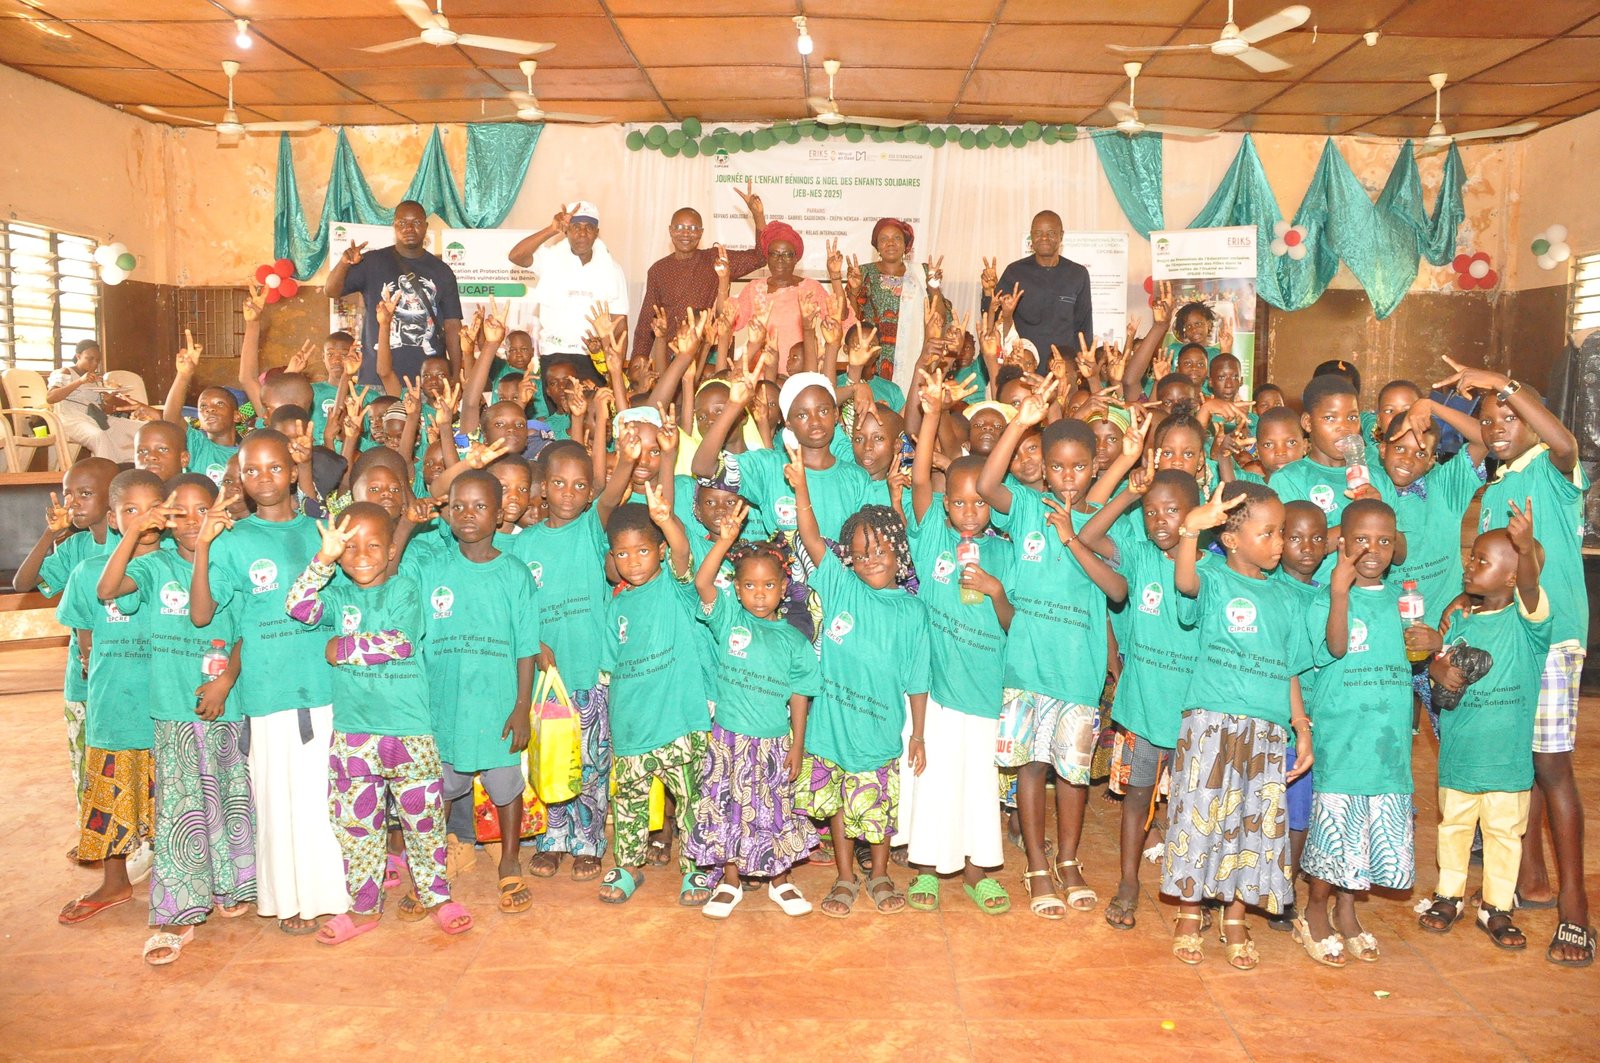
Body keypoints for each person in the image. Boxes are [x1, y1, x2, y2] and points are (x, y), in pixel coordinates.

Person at [1440, 357, 1594, 967]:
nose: (1497, 425)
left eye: (1510, 415)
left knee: (1550, 765)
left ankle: (1576, 910)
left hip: (1550, 638)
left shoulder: (1554, 470)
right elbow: (1488, 435)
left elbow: (1563, 439)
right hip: (1506, 634)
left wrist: (1500, 382)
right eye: (1488, 420)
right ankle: (1528, 880)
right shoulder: (1500, 480)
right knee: (1512, 757)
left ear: (1530, 417)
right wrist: (1445, 408)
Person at [287, 503, 472, 943]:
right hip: (353, 733)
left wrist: (341, 647)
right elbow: (297, 607)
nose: (362, 555)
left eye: (374, 546)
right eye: (350, 548)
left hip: (408, 730)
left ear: (392, 550)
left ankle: (437, 897)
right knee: (358, 828)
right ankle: (364, 907)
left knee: (424, 823)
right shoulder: (337, 596)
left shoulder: (405, 590)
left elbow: (401, 643)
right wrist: (323, 560)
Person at [189, 430, 349, 935]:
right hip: (269, 686)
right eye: (251, 470)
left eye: (275, 467)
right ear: (238, 476)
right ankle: (291, 900)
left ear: (293, 469)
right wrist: (203, 548)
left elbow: (347, 600)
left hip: (323, 682)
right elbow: (202, 615)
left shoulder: (321, 529)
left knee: (323, 796)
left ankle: (332, 892)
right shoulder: (234, 542)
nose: (264, 479)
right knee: (277, 799)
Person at [979, 388, 1129, 919]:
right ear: (1042, 468)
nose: (1068, 476)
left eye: (1079, 467)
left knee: (1073, 772)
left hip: (1077, 672)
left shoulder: (1101, 522)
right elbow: (985, 483)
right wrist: (1020, 423)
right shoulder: (1024, 507)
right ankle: (1037, 862)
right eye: (1057, 466)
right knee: (1031, 766)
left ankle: (1069, 860)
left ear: (1094, 469)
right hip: (1026, 666)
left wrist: (1072, 538)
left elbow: (1116, 592)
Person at [95, 473, 255, 965]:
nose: (191, 522)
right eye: (178, 512)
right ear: (163, 518)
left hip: (223, 703)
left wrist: (226, 680)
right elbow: (107, 589)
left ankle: (231, 886)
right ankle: (176, 912)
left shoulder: (230, 561)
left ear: (222, 512)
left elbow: (231, 627)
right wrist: (131, 533)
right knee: (180, 810)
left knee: (228, 796)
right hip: (171, 707)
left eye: (201, 510)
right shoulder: (155, 564)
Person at [1166, 480, 1313, 971]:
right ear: (1230, 538)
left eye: (1282, 533)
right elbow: (1185, 583)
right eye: (1268, 533)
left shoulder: (1288, 598)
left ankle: (1235, 915)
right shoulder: (1211, 575)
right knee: (1200, 818)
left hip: (1267, 731)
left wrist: (1301, 726)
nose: (1279, 544)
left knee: (1253, 823)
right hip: (1211, 720)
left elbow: (1291, 666)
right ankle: (1189, 913)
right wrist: (1191, 531)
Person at [900, 374, 1016, 914]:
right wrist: (931, 413)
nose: (969, 511)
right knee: (936, 780)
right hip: (938, 690)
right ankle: (925, 867)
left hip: (985, 690)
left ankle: (976, 870)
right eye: (959, 503)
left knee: (978, 785)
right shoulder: (932, 538)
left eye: (979, 503)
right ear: (946, 507)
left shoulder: (1004, 555)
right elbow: (921, 477)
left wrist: (994, 592)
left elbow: (1016, 622)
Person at [400, 471, 540, 916]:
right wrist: (406, 524)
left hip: (498, 701)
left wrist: (521, 707)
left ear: (499, 515)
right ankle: (431, 868)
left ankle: (511, 860)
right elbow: (388, 569)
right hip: (445, 702)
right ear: (445, 511)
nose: (467, 515)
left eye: (480, 507)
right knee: (438, 786)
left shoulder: (514, 573)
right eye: (458, 506)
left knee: (505, 785)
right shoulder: (431, 567)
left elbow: (526, 647)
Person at [1074, 469, 1205, 930]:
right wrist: (1129, 492)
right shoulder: (1141, 555)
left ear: (1198, 513)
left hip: (1195, 715)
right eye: (1151, 512)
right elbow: (1088, 535)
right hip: (1145, 706)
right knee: (1137, 795)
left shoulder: (1210, 570)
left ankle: (1192, 888)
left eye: (1173, 510)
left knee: (1193, 805)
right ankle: (1128, 880)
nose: (1160, 520)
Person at [1419, 514, 1551, 954]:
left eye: (1481, 561)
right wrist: (1436, 666)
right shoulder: (1459, 624)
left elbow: (1530, 587)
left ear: (1513, 576)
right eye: (1471, 558)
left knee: (1502, 835)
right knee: (1453, 827)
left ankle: (1496, 905)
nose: (1469, 566)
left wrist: (1526, 545)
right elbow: (1439, 672)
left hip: (1507, 761)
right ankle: (1448, 895)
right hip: (1460, 755)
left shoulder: (1528, 625)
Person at [684, 500, 822, 918]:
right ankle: (730, 880)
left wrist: (797, 745)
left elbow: (801, 694)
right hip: (729, 738)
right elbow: (703, 583)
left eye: (767, 585)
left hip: (774, 741)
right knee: (728, 807)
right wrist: (724, 542)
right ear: (737, 587)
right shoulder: (728, 619)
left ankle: (781, 881)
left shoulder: (794, 640)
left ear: (784, 588)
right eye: (748, 585)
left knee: (774, 810)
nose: (758, 594)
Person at [505, 439, 634, 880]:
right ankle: (551, 840)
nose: (568, 493)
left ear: (589, 492)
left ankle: (589, 840)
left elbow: (612, 494)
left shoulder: (591, 529)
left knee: (592, 762)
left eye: (580, 486)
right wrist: (534, 642)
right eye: (558, 483)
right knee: (551, 758)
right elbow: (517, 607)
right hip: (546, 678)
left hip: (589, 669)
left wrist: (629, 458)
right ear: (542, 487)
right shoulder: (524, 546)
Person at [1297, 500, 1418, 967]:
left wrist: (1428, 642)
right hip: (1342, 738)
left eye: (1385, 541)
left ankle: (1348, 910)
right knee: (1336, 830)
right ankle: (1313, 909)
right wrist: (1341, 592)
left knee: (1366, 833)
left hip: (1386, 739)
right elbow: (1336, 645)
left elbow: (1412, 651)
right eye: (1361, 540)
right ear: (1341, 542)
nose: (1373, 550)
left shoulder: (1401, 597)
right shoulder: (1323, 599)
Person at [55, 469, 161, 926]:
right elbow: (84, 642)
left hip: (165, 707)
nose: (140, 520)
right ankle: (115, 880)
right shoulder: (87, 572)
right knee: (109, 794)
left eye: (150, 509)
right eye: (130, 511)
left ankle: (177, 878)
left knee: (170, 797)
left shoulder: (175, 565)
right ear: (115, 520)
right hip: (113, 703)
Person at [597, 499, 714, 907]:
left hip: (679, 720)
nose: (634, 561)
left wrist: (665, 519)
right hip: (631, 725)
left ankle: (696, 866)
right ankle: (628, 865)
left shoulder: (674, 586)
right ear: (612, 557)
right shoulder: (616, 605)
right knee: (628, 801)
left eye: (644, 550)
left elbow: (684, 555)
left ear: (660, 550)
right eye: (623, 554)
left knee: (691, 801)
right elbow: (609, 668)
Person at [14, 457, 120, 826]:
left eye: (85, 494)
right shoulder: (74, 548)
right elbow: (22, 584)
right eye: (67, 494)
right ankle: (96, 835)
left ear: (113, 497)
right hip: (83, 679)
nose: (72, 503)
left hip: (125, 678)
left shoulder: (138, 544)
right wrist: (50, 535)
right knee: (87, 761)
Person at [327, 200, 464, 383]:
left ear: (425, 226)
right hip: (376, 378)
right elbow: (331, 291)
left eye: (415, 222)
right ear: (394, 226)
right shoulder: (371, 262)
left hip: (429, 381)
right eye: (402, 223)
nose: (408, 228)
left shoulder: (442, 271)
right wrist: (344, 264)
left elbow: (452, 326)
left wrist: (455, 374)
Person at [629, 186, 767, 361]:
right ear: (670, 230)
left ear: (701, 233)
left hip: (708, 357)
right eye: (679, 227)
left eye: (693, 228)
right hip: (670, 357)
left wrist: (758, 216)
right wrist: (637, 362)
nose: (686, 233)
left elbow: (760, 257)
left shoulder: (715, 259)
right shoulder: (658, 270)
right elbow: (646, 323)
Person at [509, 202, 629, 371]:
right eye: (575, 227)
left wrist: (614, 372)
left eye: (588, 227)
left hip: (595, 359)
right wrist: (552, 229)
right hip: (554, 355)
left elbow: (620, 327)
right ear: (566, 231)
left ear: (597, 233)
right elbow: (516, 256)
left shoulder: (612, 269)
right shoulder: (550, 258)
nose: (582, 233)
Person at [848, 218, 951, 397]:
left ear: (906, 245)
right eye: (883, 239)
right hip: (875, 355)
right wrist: (854, 291)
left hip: (916, 350)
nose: (890, 243)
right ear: (876, 246)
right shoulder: (863, 273)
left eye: (896, 238)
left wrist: (933, 288)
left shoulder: (922, 272)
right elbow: (852, 318)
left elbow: (939, 320)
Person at [730, 222, 852, 364]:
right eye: (774, 254)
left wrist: (835, 275)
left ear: (796, 259)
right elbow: (729, 323)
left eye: (787, 255)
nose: (780, 260)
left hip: (802, 373)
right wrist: (723, 281)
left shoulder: (810, 288)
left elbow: (840, 316)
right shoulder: (754, 289)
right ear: (767, 258)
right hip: (762, 375)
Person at [983, 211, 1093, 357]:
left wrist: (1081, 365)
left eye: (1051, 233)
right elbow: (994, 319)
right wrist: (988, 291)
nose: (1044, 238)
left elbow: (1083, 325)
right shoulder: (1014, 272)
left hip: (1063, 367)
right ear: (1031, 237)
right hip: (1023, 363)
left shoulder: (1078, 274)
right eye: (1038, 233)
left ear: (1061, 235)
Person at [46, 339, 139, 461]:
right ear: (78, 356)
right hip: (71, 419)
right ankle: (105, 472)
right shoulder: (65, 372)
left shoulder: (96, 379)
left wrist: (109, 398)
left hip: (95, 418)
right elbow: (51, 397)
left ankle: (127, 468)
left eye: (97, 360)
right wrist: (80, 381)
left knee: (138, 429)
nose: (94, 364)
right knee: (98, 436)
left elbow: (102, 408)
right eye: (90, 359)